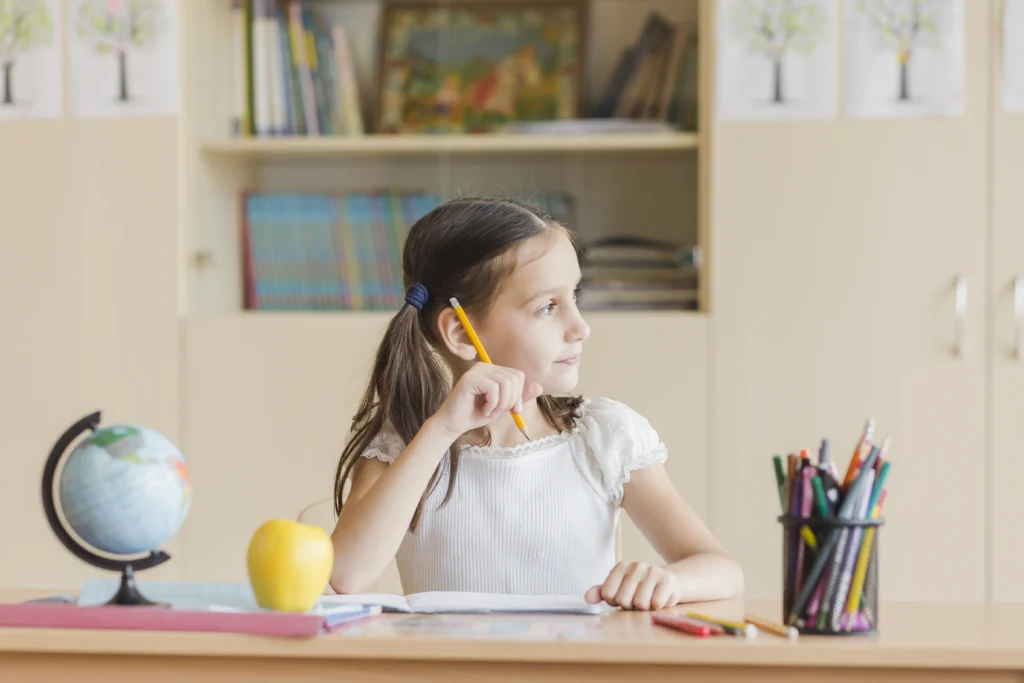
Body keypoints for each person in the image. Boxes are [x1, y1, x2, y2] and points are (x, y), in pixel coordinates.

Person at [330, 198, 743, 610]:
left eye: (575, 296)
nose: (581, 327)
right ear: (460, 332)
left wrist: (669, 581)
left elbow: (721, 568)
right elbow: (348, 574)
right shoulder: (405, 442)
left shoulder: (603, 436)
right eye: (548, 307)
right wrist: (440, 430)